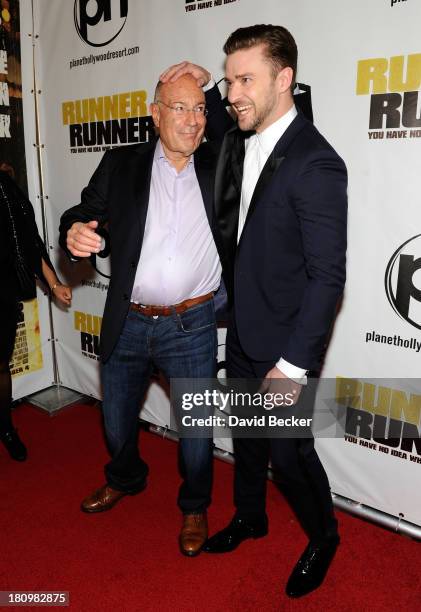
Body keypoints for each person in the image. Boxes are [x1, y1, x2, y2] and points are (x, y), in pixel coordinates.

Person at [161, 24, 347, 597]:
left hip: (286, 345)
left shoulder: (315, 162)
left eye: (246, 80)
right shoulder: (243, 134)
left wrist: (291, 368)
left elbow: (327, 278)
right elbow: (200, 115)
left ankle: (324, 536)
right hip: (242, 327)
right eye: (229, 79)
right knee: (246, 442)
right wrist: (201, 80)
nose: (232, 92)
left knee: (290, 459)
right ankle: (251, 517)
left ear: (285, 80)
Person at [59, 75, 226, 557]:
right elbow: (82, 211)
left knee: (195, 432)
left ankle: (194, 505)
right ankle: (127, 477)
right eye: (180, 108)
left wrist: (208, 84)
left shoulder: (220, 163)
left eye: (199, 109)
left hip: (190, 324)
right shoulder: (121, 163)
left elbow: (246, 128)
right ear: (155, 114)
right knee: (114, 423)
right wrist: (74, 232)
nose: (193, 120)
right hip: (127, 320)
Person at [0, 170, 72, 461]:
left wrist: (53, 283)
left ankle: (5, 428)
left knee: (0, 367)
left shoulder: (4, 188)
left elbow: (28, 240)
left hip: (1, 291)